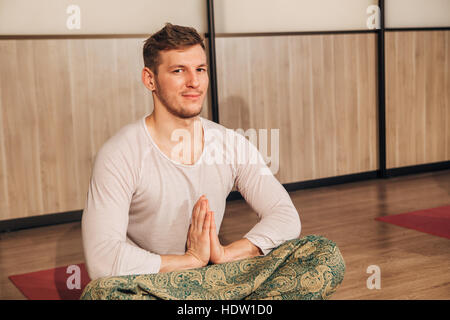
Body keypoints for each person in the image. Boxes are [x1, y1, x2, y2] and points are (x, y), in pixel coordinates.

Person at [81, 23, 345, 300]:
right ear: (150, 79)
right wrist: (190, 260)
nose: (193, 82)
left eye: (200, 69)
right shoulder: (120, 153)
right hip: (156, 286)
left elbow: (285, 215)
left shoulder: (230, 143)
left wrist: (226, 253)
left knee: (323, 254)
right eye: (178, 70)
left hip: (218, 277)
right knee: (101, 294)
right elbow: (102, 259)